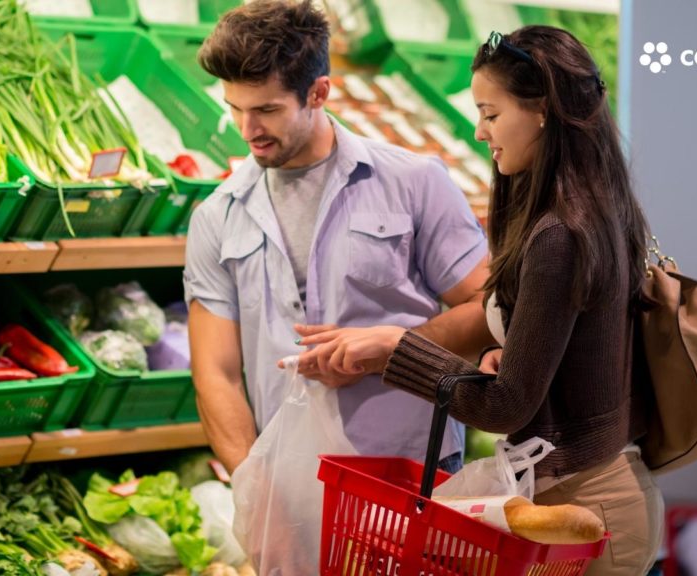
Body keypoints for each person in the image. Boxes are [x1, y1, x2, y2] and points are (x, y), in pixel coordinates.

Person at [297, 26, 664, 575]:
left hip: (589, 512)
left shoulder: (559, 233)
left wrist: (398, 347)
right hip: (577, 496)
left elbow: (506, 408)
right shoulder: (591, 204)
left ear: (542, 110)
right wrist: (511, 355)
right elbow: (579, 351)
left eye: (491, 114)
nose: (477, 131)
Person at [183, 0, 493, 476]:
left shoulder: (414, 182)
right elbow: (216, 374)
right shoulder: (218, 216)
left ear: (319, 93)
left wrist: (391, 351)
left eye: (266, 110)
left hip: (407, 467)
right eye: (236, 109)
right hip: (286, 475)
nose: (248, 131)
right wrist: (252, 483)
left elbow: (487, 307)